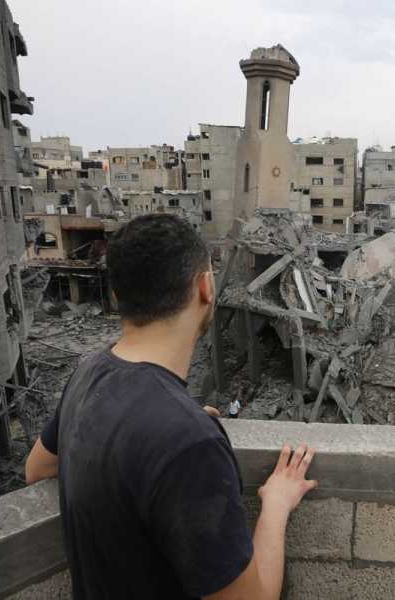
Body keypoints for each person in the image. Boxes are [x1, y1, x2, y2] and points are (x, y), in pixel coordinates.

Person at [25, 214, 317, 600]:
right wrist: (276, 503)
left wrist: (170, 427)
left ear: (116, 295)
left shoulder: (87, 373)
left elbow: (37, 468)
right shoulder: (190, 443)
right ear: (205, 287)